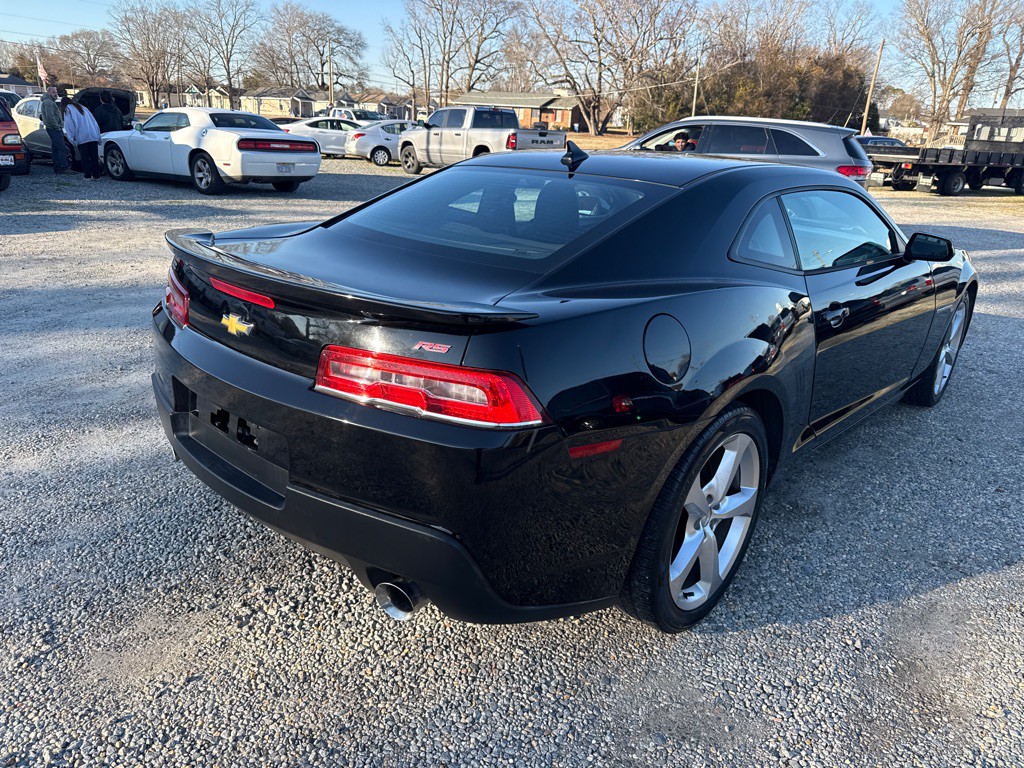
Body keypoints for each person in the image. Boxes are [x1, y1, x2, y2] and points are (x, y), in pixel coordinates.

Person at [64, 101, 102, 180]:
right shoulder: (83, 108)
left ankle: (87, 175)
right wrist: (98, 136)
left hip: (81, 136)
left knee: (84, 157)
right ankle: (96, 175)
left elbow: (69, 125)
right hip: (92, 135)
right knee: (94, 156)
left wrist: (72, 139)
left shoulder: (68, 110)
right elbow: (94, 122)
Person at [40, 86, 71, 174]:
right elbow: (50, 117)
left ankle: (57, 167)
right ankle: (63, 167)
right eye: (53, 92)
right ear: (49, 92)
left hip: (53, 128)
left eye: (56, 92)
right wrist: (57, 126)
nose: (56, 94)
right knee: (62, 148)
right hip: (54, 129)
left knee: (55, 148)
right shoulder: (48, 102)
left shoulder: (50, 102)